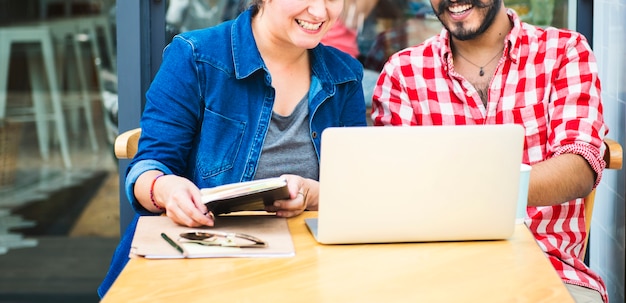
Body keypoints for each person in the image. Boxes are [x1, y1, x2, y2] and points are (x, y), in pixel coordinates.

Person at [98, 0, 366, 298]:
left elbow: (353, 192)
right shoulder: (195, 56)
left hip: (307, 268)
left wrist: (311, 193)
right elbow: (147, 169)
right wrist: (167, 189)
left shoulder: (346, 75)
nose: (319, 12)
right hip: (202, 266)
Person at [371, 1, 608, 302]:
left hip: (549, 270)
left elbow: (580, 168)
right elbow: (393, 194)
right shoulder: (402, 73)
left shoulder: (565, 52)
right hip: (434, 276)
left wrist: (457, 188)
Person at [320, 0, 381, 107]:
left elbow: (353, 19)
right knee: (384, 86)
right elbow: (353, 20)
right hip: (330, 65)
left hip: (343, 65)